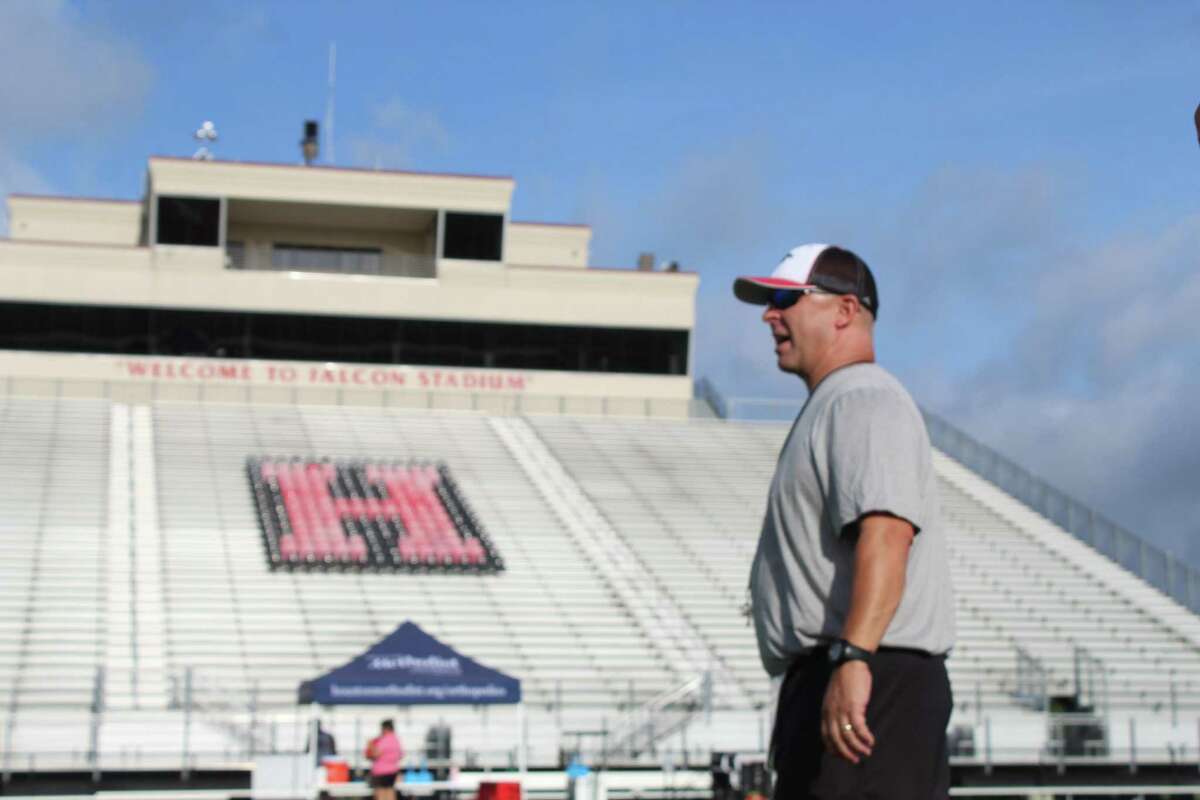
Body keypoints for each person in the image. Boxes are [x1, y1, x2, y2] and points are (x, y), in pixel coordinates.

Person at [735, 244, 956, 799]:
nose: (770, 314)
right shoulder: (838, 400)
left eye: (786, 298)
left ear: (844, 311)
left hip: (870, 675)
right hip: (848, 672)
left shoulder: (862, 396)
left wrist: (855, 659)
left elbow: (887, 534)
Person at [366, 718, 403, 800]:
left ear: (384, 729)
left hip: (381, 772)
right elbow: (400, 755)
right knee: (390, 792)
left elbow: (376, 753)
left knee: (381, 794)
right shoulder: (396, 740)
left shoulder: (384, 740)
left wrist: (370, 745)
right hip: (392, 771)